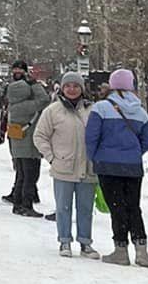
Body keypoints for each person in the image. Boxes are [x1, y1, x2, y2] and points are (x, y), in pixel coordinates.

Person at [88, 67, 148, 267]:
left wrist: (95, 157)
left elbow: (91, 136)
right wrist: (132, 153)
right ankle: (142, 250)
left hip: (107, 165)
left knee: (116, 207)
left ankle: (120, 250)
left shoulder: (101, 107)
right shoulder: (141, 111)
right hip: (132, 166)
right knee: (133, 206)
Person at [34, 69, 100, 255]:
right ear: (62, 88)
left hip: (88, 167)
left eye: (76, 86)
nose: (72, 89)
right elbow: (40, 136)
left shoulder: (93, 110)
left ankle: (85, 242)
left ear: (82, 88)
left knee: (86, 208)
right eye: (68, 86)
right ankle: (64, 241)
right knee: (63, 207)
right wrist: (52, 158)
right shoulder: (53, 110)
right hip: (63, 167)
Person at [3, 62, 50, 214]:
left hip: (18, 145)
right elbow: (44, 100)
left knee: (21, 175)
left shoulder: (13, 105)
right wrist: (35, 85)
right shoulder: (28, 106)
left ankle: (17, 204)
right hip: (30, 145)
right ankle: (26, 205)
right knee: (31, 177)